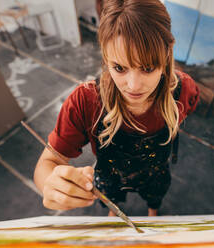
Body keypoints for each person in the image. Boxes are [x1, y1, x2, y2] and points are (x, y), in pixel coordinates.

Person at [34, 0, 199, 216]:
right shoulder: (86, 101)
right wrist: (51, 184)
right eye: (119, 68)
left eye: (148, 68)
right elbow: (48, 162)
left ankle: (153, 212)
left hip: (155, 173)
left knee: (155, 197)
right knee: (112, 203)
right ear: (105, 55)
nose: (133, 86)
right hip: (109, 177)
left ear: (167, 52)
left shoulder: (184, 91)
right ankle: (114, 211)